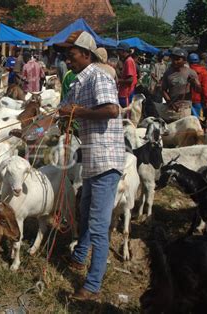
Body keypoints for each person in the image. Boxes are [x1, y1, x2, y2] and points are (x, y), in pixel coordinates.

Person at [58, 30, 125, 301]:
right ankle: (78, 257)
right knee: (84, 212)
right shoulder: (77, 83)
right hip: (92, 160)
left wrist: (77, 113)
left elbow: (112, 110)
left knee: (98, 225)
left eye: (71, 54)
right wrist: (25, 131)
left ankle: (93, 286)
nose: (67, 59)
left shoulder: (99, 75)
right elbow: (58, 112)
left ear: (86, 54)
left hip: (106, 160)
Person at [161, 48, 201, 122]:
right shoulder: (168, 73)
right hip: (171, 106)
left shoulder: (190, 72)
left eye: (178, 59)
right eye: (173, 59)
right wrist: (169, 102)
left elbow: (198, 90)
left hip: (185, 106)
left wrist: (194, 82)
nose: (175, 61)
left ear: (184, 60)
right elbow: (163, 90)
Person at [188, 53, 207, 120]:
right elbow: (205, 88)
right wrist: (206, 100)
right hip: (198, 99)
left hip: (185, 100)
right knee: (197, 120)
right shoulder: (203, 72)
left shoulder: (185, 70)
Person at [116, 42, 137, 108]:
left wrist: (117, 80)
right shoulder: (126, 61)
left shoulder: (129, 61)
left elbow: (130, 80)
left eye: (118, 51)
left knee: (126, 115)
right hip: (124, 93)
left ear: (123, 51)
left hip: (126, 94)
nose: (117, 53)